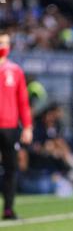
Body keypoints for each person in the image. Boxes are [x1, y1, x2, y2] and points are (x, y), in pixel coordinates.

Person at [0, 31, 33, 219]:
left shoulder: (16, 70)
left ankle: (8, 209)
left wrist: (27, 126)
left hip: (10, 127)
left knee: (11, 168)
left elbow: (23, 101)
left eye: (5, 42)